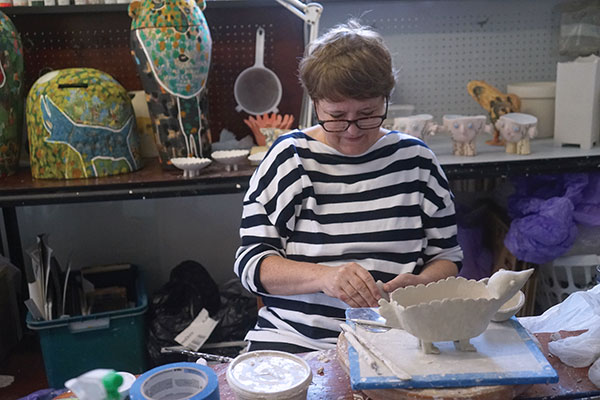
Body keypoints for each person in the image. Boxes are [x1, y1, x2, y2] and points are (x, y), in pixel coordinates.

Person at [234, 19, 463, 353]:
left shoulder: (416, 161)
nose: (353, 130)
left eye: (368, 113)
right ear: (315, 103)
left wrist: (423, 283)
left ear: (386, 99)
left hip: (397, 338)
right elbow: (252, 263)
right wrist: (324, 277)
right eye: (337, 116)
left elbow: (447, 256)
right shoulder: (291, 159)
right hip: (297, 339)